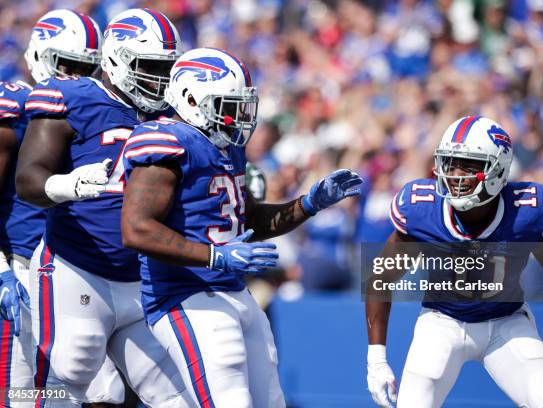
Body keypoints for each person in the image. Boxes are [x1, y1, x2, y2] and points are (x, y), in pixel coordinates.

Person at [121, 47, 363, 407]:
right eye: (226, 105)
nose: (236, 116)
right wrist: (215, 257)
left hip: (233, 291)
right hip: (185, 296)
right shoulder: (167, 141)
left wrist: (308, 204)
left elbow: (248, 220)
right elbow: (137, 229)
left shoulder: (227, 147)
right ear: (190, 98)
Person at [16, 8, 192, 407]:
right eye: (149, 65)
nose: (160, 78)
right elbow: (28, 178)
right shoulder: (73, 99)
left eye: (166, 67)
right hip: (78, 268)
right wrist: (66, 185)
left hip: (144, 277)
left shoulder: (174, 115)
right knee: (64, 379)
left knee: (175, 394)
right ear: (116, 59)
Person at [365, 116, 543, 408]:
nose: (455, 174)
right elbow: (380, 279)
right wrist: (376, 360)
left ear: (498, 168)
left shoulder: (527, 212)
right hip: (442, 323)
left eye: (469, 165)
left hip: (507, 323)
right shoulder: (421, 210)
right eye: (450, 163)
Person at [0, 9, 128, 406]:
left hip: (78, 275)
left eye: (86, 68)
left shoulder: (100, 109)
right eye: (66, 65)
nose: (74, 76)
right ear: (40, 57)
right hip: (21, 270)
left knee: (105, 391)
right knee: (20, 393)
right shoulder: (19, 108)